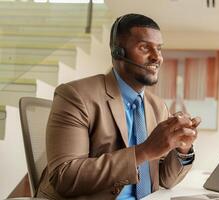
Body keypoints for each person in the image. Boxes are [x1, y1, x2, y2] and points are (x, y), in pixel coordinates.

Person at [36, 13, 201, 200]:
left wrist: (182, 149)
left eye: (159, 49)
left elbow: (165, 180)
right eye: (144, 47)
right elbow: (65, 177)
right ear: (118, 52)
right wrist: (144, 151)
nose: (157, 58)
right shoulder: (75, 96)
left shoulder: (158, 106)